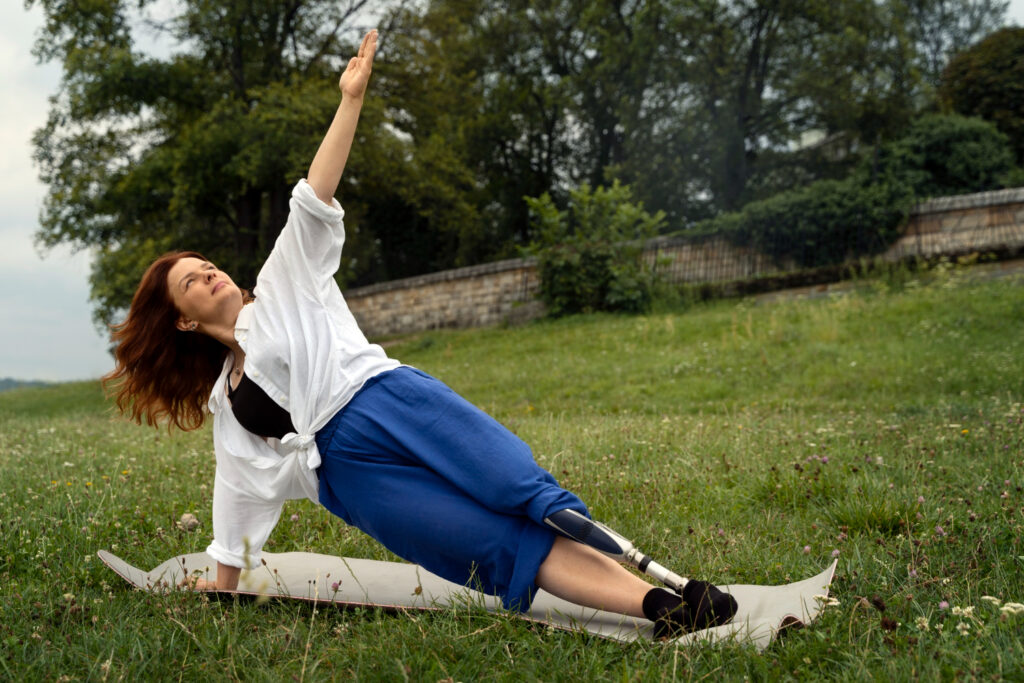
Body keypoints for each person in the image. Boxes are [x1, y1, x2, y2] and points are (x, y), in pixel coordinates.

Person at [104, 30, 736, 639]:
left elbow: (313, 196)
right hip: (349, 480)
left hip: (391, 401)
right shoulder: (231, 403)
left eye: (207, 265)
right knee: (484, 545)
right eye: (191, 282)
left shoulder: (284, 283)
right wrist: (226, 583)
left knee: (517, 490)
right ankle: (660, 607)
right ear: (183, 320)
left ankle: (670, 581)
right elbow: (237, 493)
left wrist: (350, 100)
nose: (210, 274)